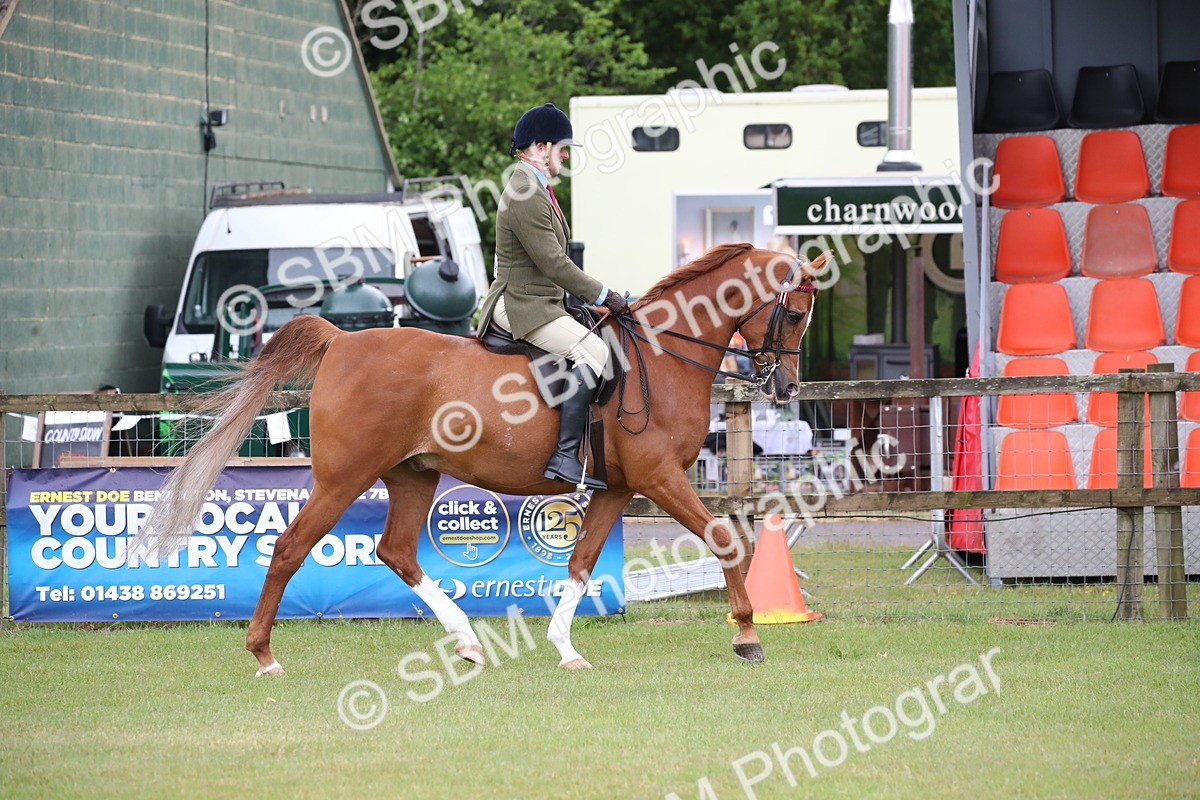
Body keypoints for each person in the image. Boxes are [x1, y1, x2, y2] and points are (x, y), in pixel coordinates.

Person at [476, 103, 630, 489]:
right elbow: (553, 263)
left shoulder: (536, 188)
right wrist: (604, 294)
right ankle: (564, 457)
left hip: (541, 301)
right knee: (595, 353)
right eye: (562, 149)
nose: (565, 156)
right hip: (520, 306)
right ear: (540, 147)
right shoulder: (526, 192)